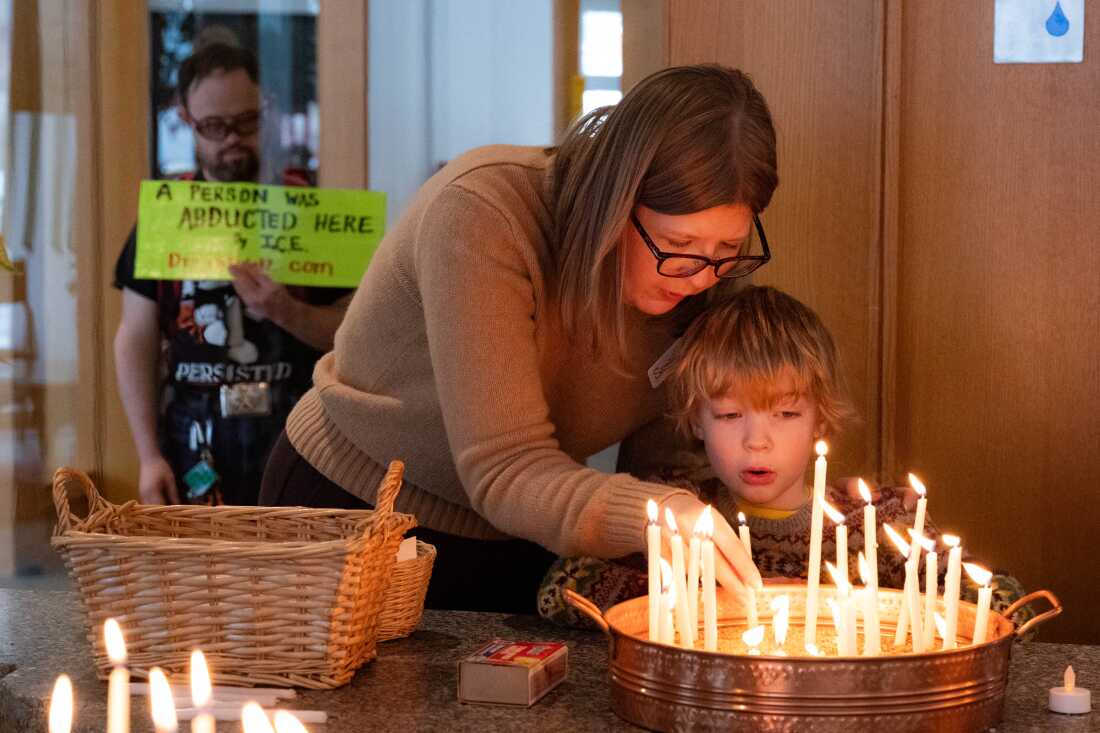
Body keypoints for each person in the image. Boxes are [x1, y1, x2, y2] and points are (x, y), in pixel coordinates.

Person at [260, 64, 783, 613]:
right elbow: (504, 467)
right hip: (356, 512)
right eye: (679, 244)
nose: (702, 276)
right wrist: (654, 513)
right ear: (614, 201)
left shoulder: (709, 273)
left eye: (728, 249)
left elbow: (666, 452)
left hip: (523, 530)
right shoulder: (483, 213)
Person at [537, 286, 1028, 628]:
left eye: (786, 414)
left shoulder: (876, 524)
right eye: (729, 415)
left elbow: (1009, 603)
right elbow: (560, 589)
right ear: (695, 421)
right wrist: (708, 600)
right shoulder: (678, 512)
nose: (757, 441)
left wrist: (874, 606)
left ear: (821, 418)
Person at [114, 43, 352, 506]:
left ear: (267, 110)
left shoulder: (310, 211)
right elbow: (135, 338)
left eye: (246, 123)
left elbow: (355, 334)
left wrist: (286, 311)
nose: (231, 139)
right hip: (194, 435)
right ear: (185, 118)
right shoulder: (165, 218)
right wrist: (147, 456)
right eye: (213, 126)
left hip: (299, 429)